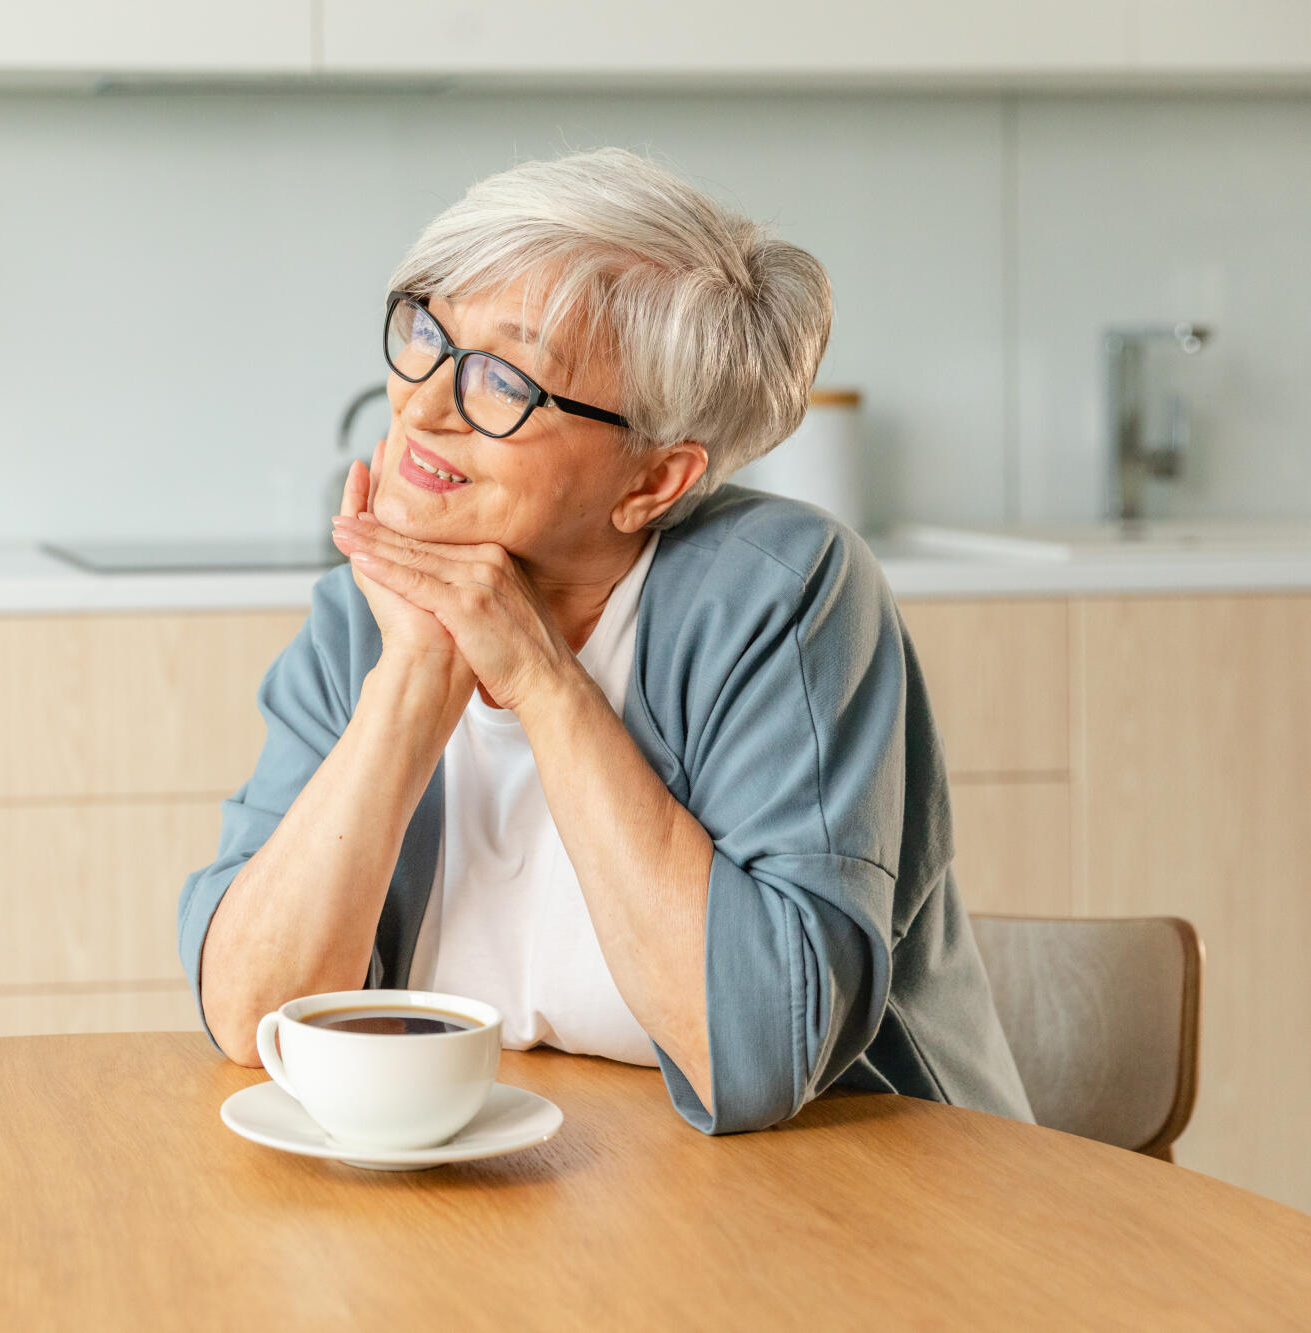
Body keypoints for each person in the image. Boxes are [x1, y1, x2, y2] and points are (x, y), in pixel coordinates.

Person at [177, 148, 1031, 1133]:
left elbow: (755, 1055)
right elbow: (251, 1016)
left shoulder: (783, 597)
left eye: (502, 378)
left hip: (863, 1220)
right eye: (426, 329)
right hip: (513, 1210)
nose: (420, 402)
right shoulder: (365, 616)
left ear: (651, 482)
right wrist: (415, 674)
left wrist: (539, 677)